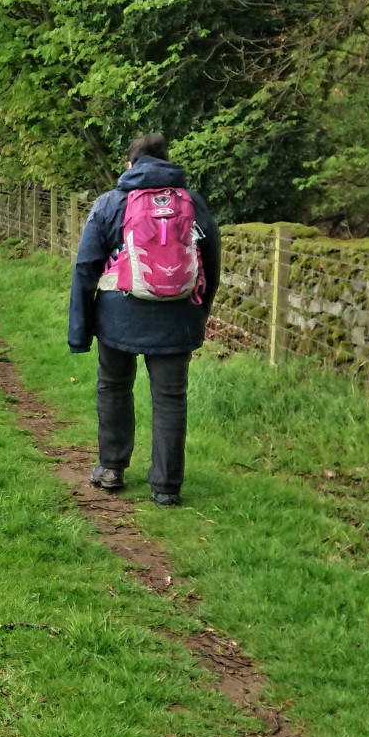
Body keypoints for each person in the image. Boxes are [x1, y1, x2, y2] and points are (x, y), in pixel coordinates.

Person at [67, 133, 221, 506]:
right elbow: (212, 262)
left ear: (129, 165)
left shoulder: (110, 203)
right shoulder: (192, 203)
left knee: (114, 387)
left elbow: (86, 268)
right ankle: (166, 487)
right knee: (170, 399)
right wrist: (199, 314)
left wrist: (80, 332)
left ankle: (112, 468)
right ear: (167, 162)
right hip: (177, 318)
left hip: (117, 316)